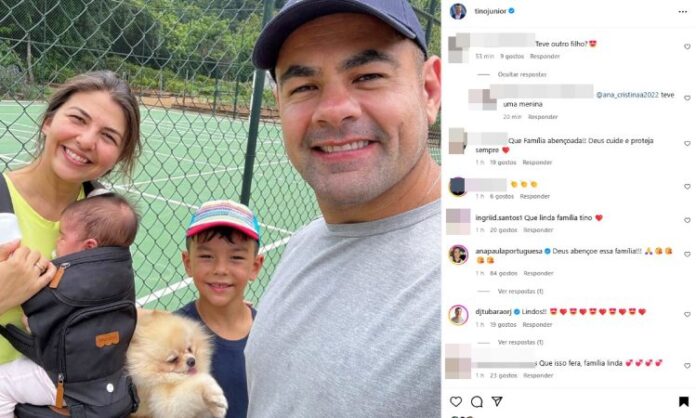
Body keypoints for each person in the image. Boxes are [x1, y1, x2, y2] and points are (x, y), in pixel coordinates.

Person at [245, 0, 442, 416]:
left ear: (429, 90)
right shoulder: (306, 241)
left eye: (368, 76)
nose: (334, 112)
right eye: (304, 87)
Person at [0, 71, 141, 382]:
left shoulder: (108, 221)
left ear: (118, 157)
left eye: (108, 136)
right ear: (48, 121)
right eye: (78, 119)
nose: (87, 141)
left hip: (72, 398)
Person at [0, 193, 139, 417]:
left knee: (2, 384)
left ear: (89, 246)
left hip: (66, 381)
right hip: (107, 376)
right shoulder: (121, 273)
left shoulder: (65, 281)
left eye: (62, 235)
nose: (57, 240)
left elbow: (32, 322)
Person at [176, 200, 264, 418]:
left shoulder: (269, 331)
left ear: (255, 266)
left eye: (236, 257)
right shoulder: (173, 338)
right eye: (207, 256)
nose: (220, 269)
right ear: (188, 262)